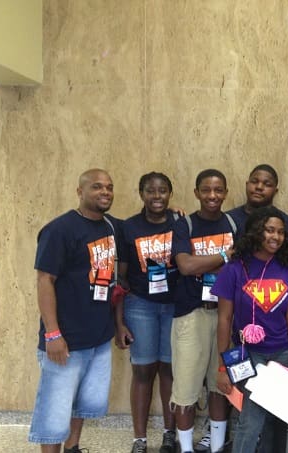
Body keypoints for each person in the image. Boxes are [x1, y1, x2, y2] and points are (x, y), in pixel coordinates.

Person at [28, 169, 119, 453]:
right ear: (80, 192)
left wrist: (176, 214)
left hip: (99, 337)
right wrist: (53, 334)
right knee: (54, 412)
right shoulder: (59, 230)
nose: (105, 192)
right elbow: (45, 281)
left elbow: (145, 224)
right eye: (97, 187)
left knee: (84, 404)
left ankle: (73, 448)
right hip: (66, 339)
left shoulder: (109, 227)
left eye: (109, 187)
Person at [213, 206, 288, 453]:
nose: (276, 237)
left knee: (275, 419)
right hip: (250, 354)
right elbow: (224, 319)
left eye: (281, 232)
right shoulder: (234, 268)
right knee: (252, 418)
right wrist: (222, 367)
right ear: (256, 231)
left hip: (282, 353)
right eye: (270, 230)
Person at [170, 169, 235, 453]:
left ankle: (217, 447)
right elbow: (186, 266)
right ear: (196, 192)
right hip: (192, 314)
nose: (212, 195)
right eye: (206, 190)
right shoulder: (185, 225)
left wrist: (206, 263)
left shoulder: (233, 223)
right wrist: (223, 256)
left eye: (218, 190)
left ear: (226, 193)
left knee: (221, 384)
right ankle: (185, 448)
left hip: (226, 314)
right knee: (185, 388)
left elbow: (239, 266)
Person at [114, 172, 179, 453]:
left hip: (174, 306)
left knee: (169, 370)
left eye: (162, 190)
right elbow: (121, 278)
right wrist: (119, 321)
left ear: (170, 194)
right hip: (140, 305)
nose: (157, 196)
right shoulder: (128, 227)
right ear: (141, 194)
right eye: (150, 191)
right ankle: (139, 439)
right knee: (142, 370)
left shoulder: (180, 223)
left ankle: (169, 434)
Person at [226, 163, 288, 253]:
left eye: (267, 184)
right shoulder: (228, 220)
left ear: (275, 191)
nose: (259, 187)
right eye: (254, 182)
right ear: (247, 184)